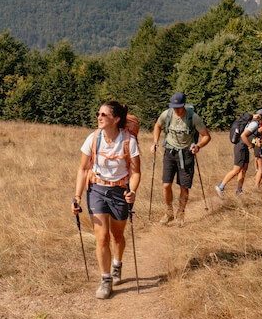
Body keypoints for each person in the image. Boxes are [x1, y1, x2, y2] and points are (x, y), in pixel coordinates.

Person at [72, 101, 141, 299]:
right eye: (98, 114)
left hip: (120, 191)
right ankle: (105, 279)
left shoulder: (129, 142)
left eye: (104, 115)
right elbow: (83, 169)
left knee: (117, 235)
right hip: (96, 189)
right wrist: (77, 196)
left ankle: (117, 264)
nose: (99, 117)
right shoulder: (93, 139)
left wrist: (133, 191)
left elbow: (136, 172)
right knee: (102, 237)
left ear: (116, 119)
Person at [151, 92, 211, 226]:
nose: (176, 109)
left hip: (186, 154)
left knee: (184, 186)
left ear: (184, 105)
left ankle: (180, 214)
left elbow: (206, 136)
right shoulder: (167, 114)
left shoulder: (193, 117)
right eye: (174, 107)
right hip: (170, 152)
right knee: (166, 185)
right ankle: (168, 213)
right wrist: (155, 141)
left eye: (178, 107)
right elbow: (157, 126)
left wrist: (198, 146)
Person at [216, 112, 261, 198]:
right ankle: (221, 186)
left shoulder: (249, 122)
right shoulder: (253, 123)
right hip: (240, 148)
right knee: (236, 170)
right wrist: (250, 145)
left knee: (243, 169)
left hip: (242, 147)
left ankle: (239, 191)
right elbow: (243, 136)